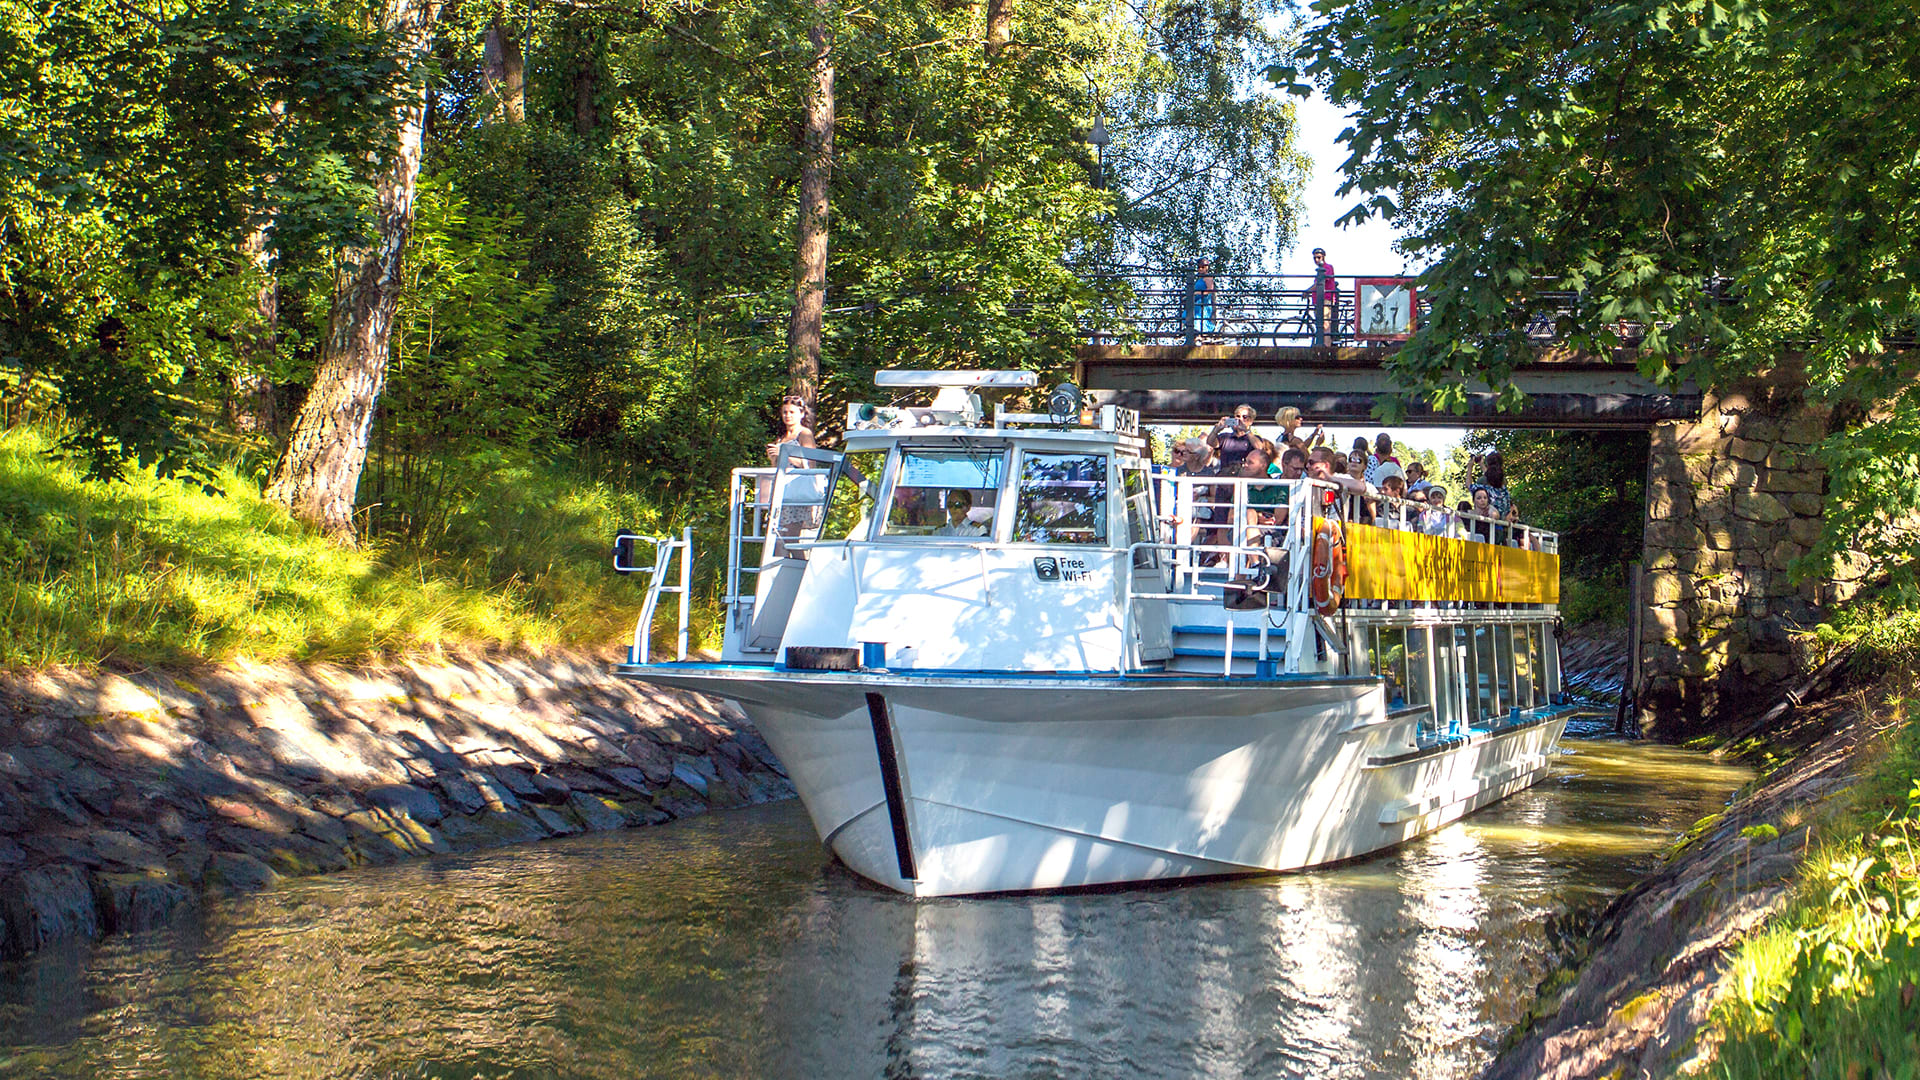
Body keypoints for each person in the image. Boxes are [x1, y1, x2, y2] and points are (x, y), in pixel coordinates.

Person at [1208, 404, 1258, 473]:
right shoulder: (1225, 437)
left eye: (1244, 417)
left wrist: (1246, 430)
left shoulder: (1254, 439)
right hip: (1226, 477)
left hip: (1245, 477)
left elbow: (1260, 448)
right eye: (1238, 416)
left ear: (1251, 421)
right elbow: (1210, 442)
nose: (1240, 419)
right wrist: (1216, 429)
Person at [1304, 247, 1338, 346]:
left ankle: (1326, 346)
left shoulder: (1327, 268)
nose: (1316, 260)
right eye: (1315, 258)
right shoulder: (1320, 269)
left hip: (1326, 299)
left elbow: (1320, 282)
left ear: (1323, 257)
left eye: (1318, 257)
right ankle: (1323, 344)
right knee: (1320, 323)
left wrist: (1307, 291)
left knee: (1325, 323)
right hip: (1318, 300)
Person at [1191, 258, 1218, 336]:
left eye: (1202, 267)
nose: (1200, 269)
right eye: (1199, 267)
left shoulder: (1208, 278)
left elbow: (1210, 290)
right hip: (1198, 301)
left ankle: (1198, 333)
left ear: (1207, 268)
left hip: (1205, 303)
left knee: (1196, 315)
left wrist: (1197, 293)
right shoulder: (1200, 279)